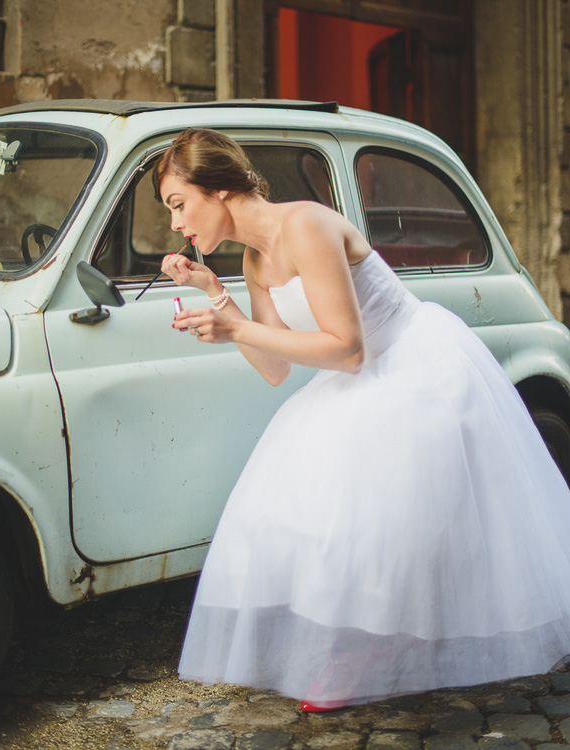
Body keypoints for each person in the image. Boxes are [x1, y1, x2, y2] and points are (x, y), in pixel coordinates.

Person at [155, 128, 570, 712]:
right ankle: (356, 644)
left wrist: (237, 327)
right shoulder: (252, 260)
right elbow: (275, 368)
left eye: (178, 203)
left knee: (380, 523)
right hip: (357, 377)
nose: (176, 224)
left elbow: (346, 346)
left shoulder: (305, 225)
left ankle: (372, 651)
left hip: (411, 364)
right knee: (295, 512)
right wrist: (216, 295)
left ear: (219, 189)